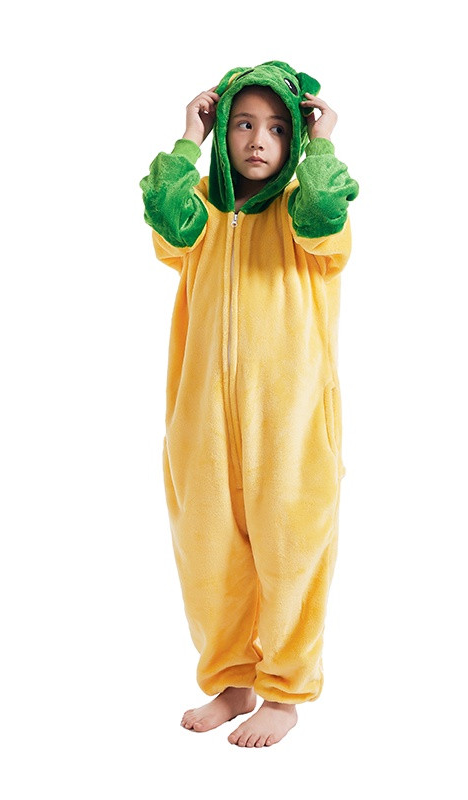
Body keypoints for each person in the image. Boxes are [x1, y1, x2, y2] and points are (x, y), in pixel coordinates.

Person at [140, 60, 359, 747]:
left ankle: (284, 692)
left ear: (294, 138)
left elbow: (326, 206)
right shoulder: (201, 211)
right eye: (241, 124)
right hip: (202, 423)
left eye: (275, 128)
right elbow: (162, 212)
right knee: (208, 558)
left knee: (291, 553)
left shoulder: (305, 213)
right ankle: (232, 682)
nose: (258, 140)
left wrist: (322, 144)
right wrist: (188, 137)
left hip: (289, 426)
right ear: (221, 132)